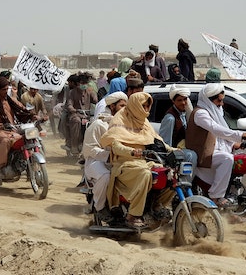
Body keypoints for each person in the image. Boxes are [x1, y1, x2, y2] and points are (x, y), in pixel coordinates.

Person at [100, 92, 175, 228]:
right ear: (135, 105)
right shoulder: (120, 119)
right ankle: (133, 215)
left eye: (147, 106)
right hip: (124, 164)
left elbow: (158, 141)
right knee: (145, 174)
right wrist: (132, 151)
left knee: (171, 175)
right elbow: (115, 145)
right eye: (143, 106)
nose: (146, 110)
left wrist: (173, 150)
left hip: (143, 162)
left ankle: (157, 206)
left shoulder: (144, 122)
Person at [185, 83, 246, 208]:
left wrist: (234, 144)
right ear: (209, 100)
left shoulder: (216, 113)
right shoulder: (201, 114)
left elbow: (221, 135)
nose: (221, 104)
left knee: (238, 164)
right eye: (219, 100)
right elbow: (216, 129)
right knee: (227, 159)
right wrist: (240, 134)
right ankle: (215, 196)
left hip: (215, 153)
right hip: (204, 156)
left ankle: (233, 209)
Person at [82, 91, 128, 223]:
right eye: (121, 106)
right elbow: (89, 149)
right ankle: (100, 207)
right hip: (96, 162)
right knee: (105, 175)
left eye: (126, 106)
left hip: (118, 162)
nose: (124, 109)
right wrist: (109, 156)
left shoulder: (124, 125)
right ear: (112, 107)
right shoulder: (99, 124)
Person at [0, 76, 34, 178]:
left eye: (7, 89)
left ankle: (29, 167)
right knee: (6, 141)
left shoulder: (11, 100)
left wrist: (34, 115)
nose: (6, 91)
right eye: (3, 90)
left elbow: (23, 109)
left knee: (25, 139)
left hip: (12, 129)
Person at [159, 84, 197, 169]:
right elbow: (165, 143)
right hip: (175, 153)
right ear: (173, 101)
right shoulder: (170, 118)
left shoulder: (184, 114)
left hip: (184, 148)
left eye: (185, 99)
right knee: (191, 155)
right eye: (179, 100)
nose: (183, 103)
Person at [66, 74, 98, 155]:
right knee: (76, 121)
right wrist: (72, 109)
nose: (84, 85)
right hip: (76, 114)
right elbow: (69, 104)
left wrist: (94, 96)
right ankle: (74, 145)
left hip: (87, 115)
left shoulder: (89, 91)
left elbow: (96, 100)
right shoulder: (72, 92)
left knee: (95, 123)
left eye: (85, 83)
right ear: (78, 83)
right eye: (82, 83)